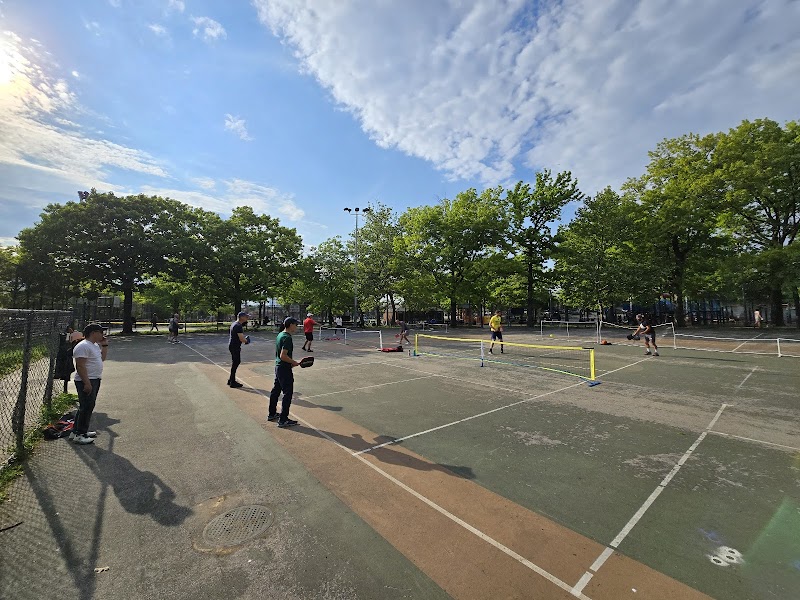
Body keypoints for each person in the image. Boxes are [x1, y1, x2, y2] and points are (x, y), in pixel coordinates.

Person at [70, 323, 109, 444]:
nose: (103, 334)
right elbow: (80, 366)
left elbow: (102, 358)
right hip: (86, 380)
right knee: (86, 406)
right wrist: (86, 383)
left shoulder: (94, 345)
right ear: (93, 333)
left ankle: (76, 431)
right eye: (101, 332)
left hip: (94, 379)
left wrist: (105, 345)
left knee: (87, 406)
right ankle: (80, 434)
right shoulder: (83, 346)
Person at [268, 317, 301, 428]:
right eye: (295, 324)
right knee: (288, 394)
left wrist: (290, 363)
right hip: (284, 369)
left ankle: (272, 413)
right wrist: (294, 362)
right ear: (290, 325)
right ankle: (283, 420)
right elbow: (283, 356)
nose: (296, 326)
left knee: (276, 391)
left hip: (278, 367)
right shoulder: (287, 338)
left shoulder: (280, 334)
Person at [228, 311, 251, 388]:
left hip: (233, 346)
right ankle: (232, 382)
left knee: (235, 362)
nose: (247, 318)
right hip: (235, 346)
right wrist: (246, 341)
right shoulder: (238, 326)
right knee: (236, 362)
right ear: (241, 317)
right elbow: (241, 338)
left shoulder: (235, 324)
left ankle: (231, 379)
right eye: (246, 316)